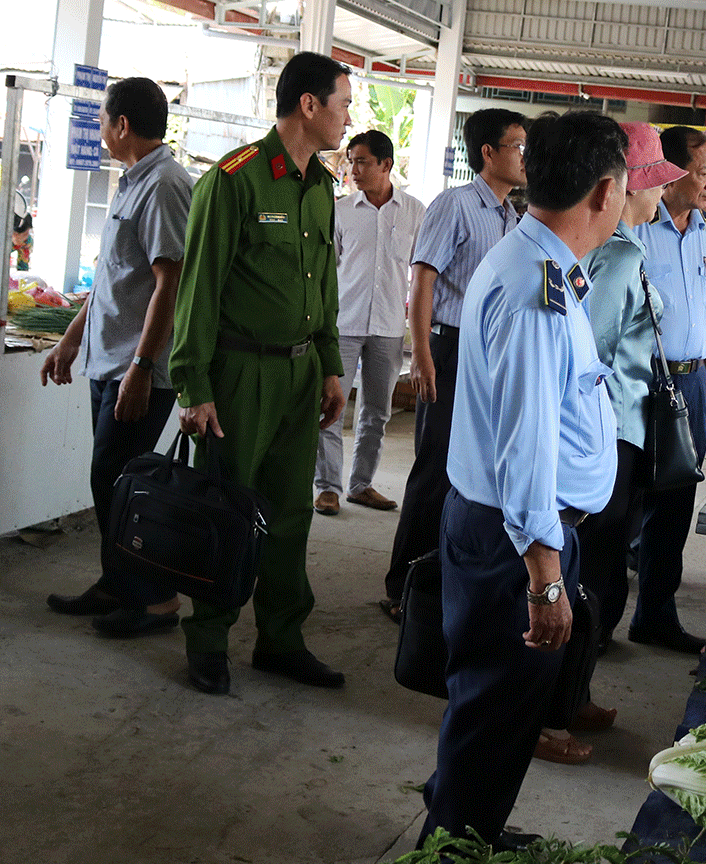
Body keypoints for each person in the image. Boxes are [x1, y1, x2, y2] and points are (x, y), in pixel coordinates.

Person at [418, 110, 627, 851]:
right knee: (493, 706)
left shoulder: (537, 267)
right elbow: (528, 439)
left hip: (517, 531)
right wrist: (544, 573)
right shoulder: (539, 288)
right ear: (604, 190)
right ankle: (452, 842)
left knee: (498, 710)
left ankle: (465, 825)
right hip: (519, 541)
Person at [168, 51, 352, 695]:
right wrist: (194, 386)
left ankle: (280, 639)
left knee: (289, 511)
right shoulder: (234, 179)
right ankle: (209, 640)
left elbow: (322, 286)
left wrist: (330, 366)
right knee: (225, 510)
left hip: (301, 376)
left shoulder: (322, 186)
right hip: (240, 374)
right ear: (309, 104)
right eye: (344, 104)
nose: (349, 119)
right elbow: (198, 290)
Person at [553, 121, 690, 765]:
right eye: (656, 183)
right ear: (628, 187)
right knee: (597, 573)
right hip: (611, 434)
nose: (664, 195)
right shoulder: (621, 255)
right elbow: (594, 353)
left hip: (619, 432)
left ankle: (571, 693)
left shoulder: (616, 247)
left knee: (599, 570)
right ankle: (555, 705)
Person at [41, 77, 192, 637]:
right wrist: (72, 338)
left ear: (122, 124)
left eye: (103, 119)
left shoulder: (167, 186)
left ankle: (156, 600)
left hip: (138, 368)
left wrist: (142, 368)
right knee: (110, 479)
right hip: (110, 360)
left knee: (123, 481)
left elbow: (168, 285)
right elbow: (113, 277)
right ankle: (116, 584)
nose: (101, 130)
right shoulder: (132, 181)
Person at [380, 109, 527, 622]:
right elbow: (423, 281)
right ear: (488, 153)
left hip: (488, 354)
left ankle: (446, 581)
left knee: (471, 471)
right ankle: (404, 587)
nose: (524, 157)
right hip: (449, 348)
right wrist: (420, 355)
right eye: (517, 147)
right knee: (435, 468)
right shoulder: (456, 205)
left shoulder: (511, 215)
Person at [629, 125, 706, 654]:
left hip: (689, 382)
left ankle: (655, 615)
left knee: (673, 503)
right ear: (669, 174)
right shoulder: (637, 229)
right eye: (705, 171)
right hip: (639, 377)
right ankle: (591, 621)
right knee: (618, 500)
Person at [313, 130, 425, 516]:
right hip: (343, 324)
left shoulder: (415, 212)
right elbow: (327, 272)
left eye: (362, 161)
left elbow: (421, 271)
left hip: (389, 327)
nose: (353, 169)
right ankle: (327, 486)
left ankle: (361, 484)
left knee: (377, 410)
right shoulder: (341, 211)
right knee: (330, 405)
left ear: (386, 164)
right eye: (351, 161)